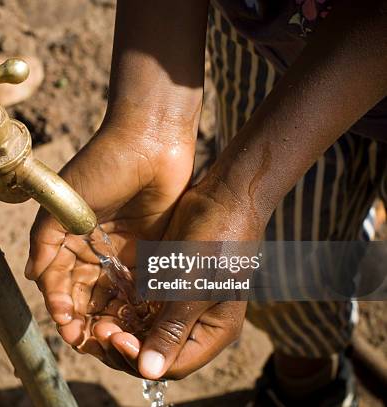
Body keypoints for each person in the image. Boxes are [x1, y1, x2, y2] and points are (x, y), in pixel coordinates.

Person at [24, 1, 387, 405]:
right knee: (280, 260)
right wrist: (147, 123)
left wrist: (239, 194)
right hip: (272, 45)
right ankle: (306, 386)